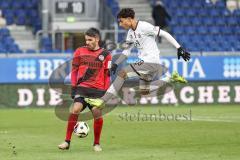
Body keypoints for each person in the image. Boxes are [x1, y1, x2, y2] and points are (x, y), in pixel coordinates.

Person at [85, 8, 190, 108]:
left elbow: (164, 33)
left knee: (123, 74)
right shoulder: (130, 34)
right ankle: (170, 78)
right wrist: (116, 63)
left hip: (151, 60)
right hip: (145, 62)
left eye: (121, 21)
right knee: (144, 91)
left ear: (129, 19)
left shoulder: (144, 26)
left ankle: (102, 100)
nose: (120, 24)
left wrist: (179, 48)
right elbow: (126, 51)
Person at [58, 28, 112, 152]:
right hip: (82, 88)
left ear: (97, 39)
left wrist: (105, 93)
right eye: (86, 40)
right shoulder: (79, 51)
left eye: (90, 40)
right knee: (75, 109)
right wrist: (73, 86)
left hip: (98, 90)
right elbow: (74, 71)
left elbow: (107, 75)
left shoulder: (106, 55)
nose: (87, 42)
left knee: (97, 114)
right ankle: (67, 141)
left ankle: (96, 144)